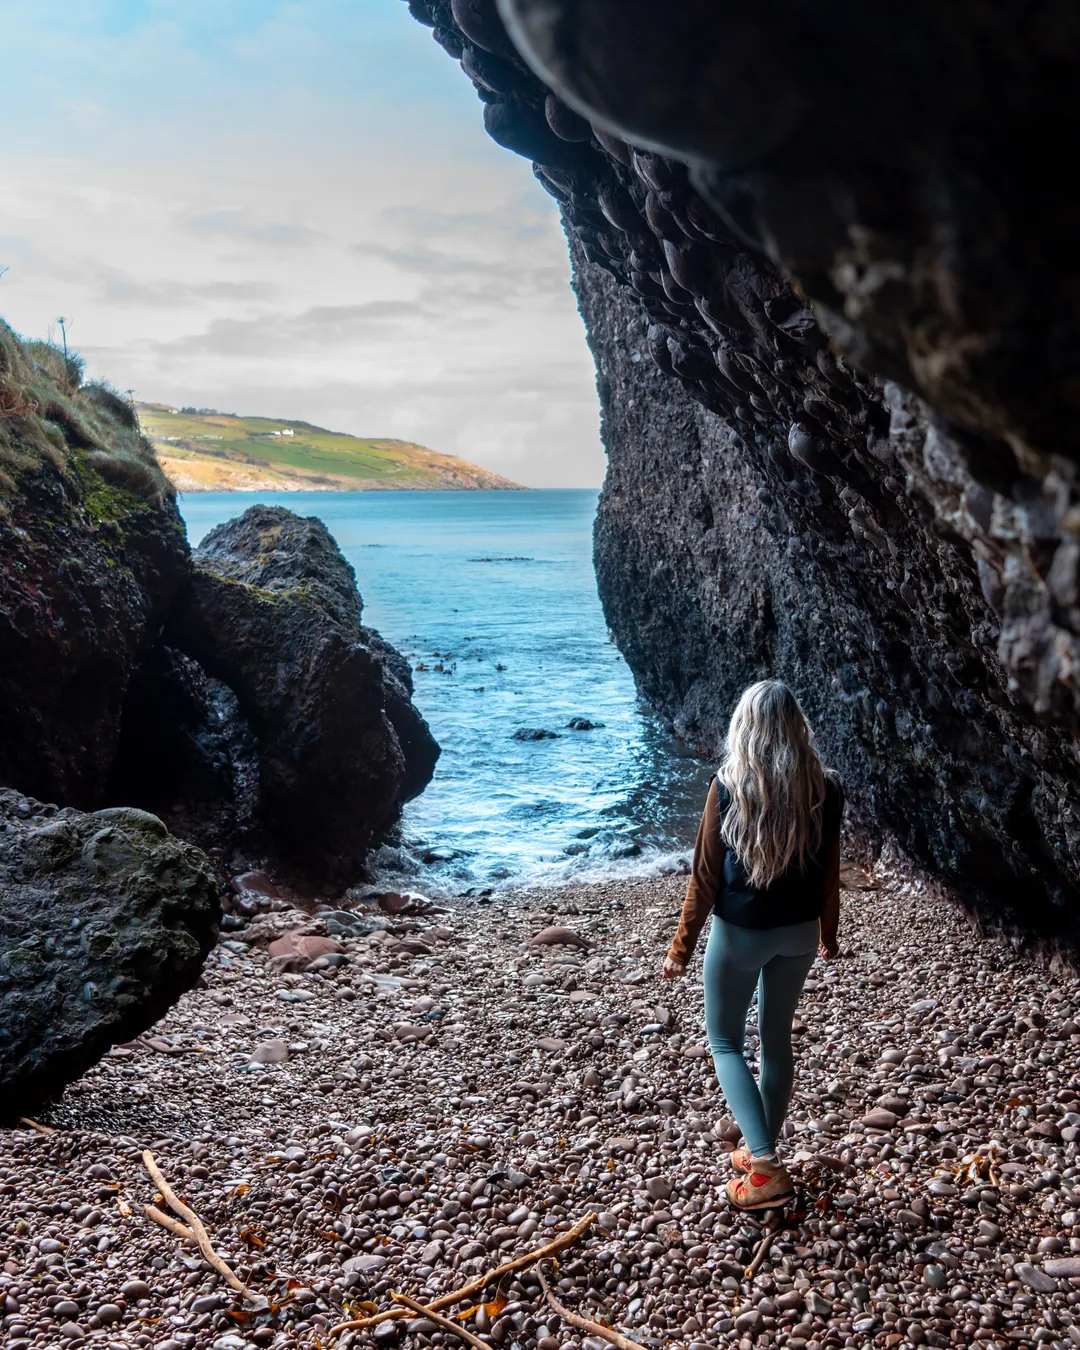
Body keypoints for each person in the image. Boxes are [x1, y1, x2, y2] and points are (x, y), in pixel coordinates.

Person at [662, 680, 844, 1210]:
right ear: (796, 727)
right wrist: (828, 934)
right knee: (775, 1038)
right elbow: (830, 872)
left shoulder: (727, 786)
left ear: (745, 728)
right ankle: (759, 1148)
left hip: (741, 933)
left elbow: (704, 876)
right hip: (799, 934)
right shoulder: (825, 789)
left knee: (723, 1042)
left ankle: (763, 1165)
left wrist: (681, 947)